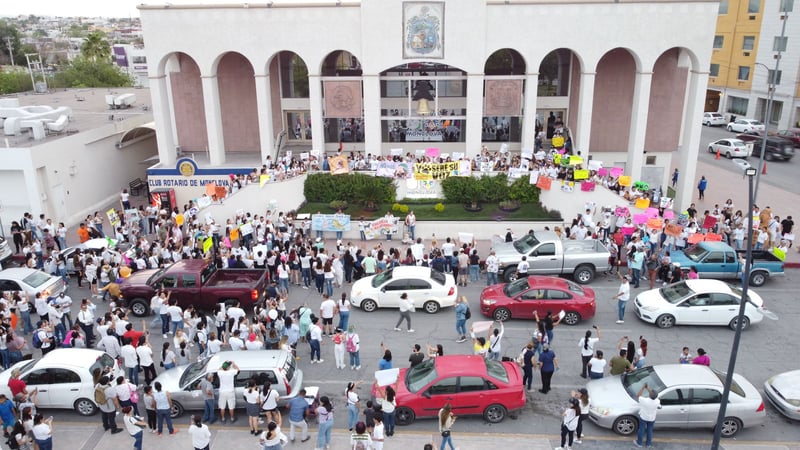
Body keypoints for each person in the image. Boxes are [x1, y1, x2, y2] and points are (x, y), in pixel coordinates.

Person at [633, 383, 660, 448]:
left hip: (644, 417)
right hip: (652, 418)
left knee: (641, 430)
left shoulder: (644, 400)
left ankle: (639, 443)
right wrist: (648, 388)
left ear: (649, 395)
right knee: (650, 431)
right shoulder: (657, 401)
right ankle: (648, 444)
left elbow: (638, 395)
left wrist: (643, 388)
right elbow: (653, 395)